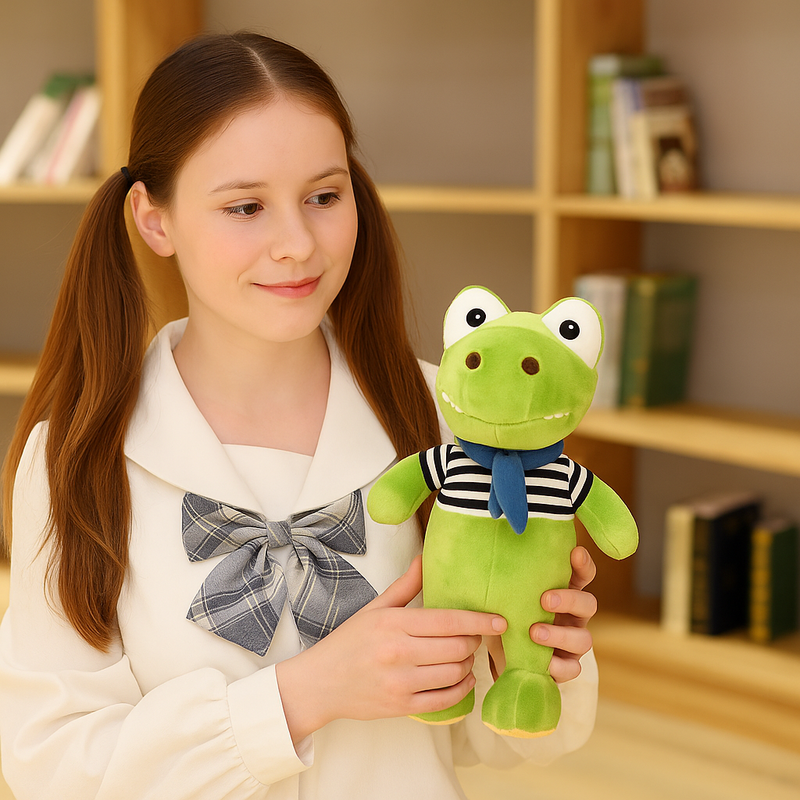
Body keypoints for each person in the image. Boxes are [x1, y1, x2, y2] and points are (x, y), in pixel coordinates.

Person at [0, 32, 599, 799]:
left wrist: (545, 655)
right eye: (245, 206)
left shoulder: (449, 423)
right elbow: (56, 767)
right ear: (155, 220)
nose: (297, 245)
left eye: (324, 196)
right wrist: (301, 696)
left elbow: (502, 742)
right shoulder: (74, 459)